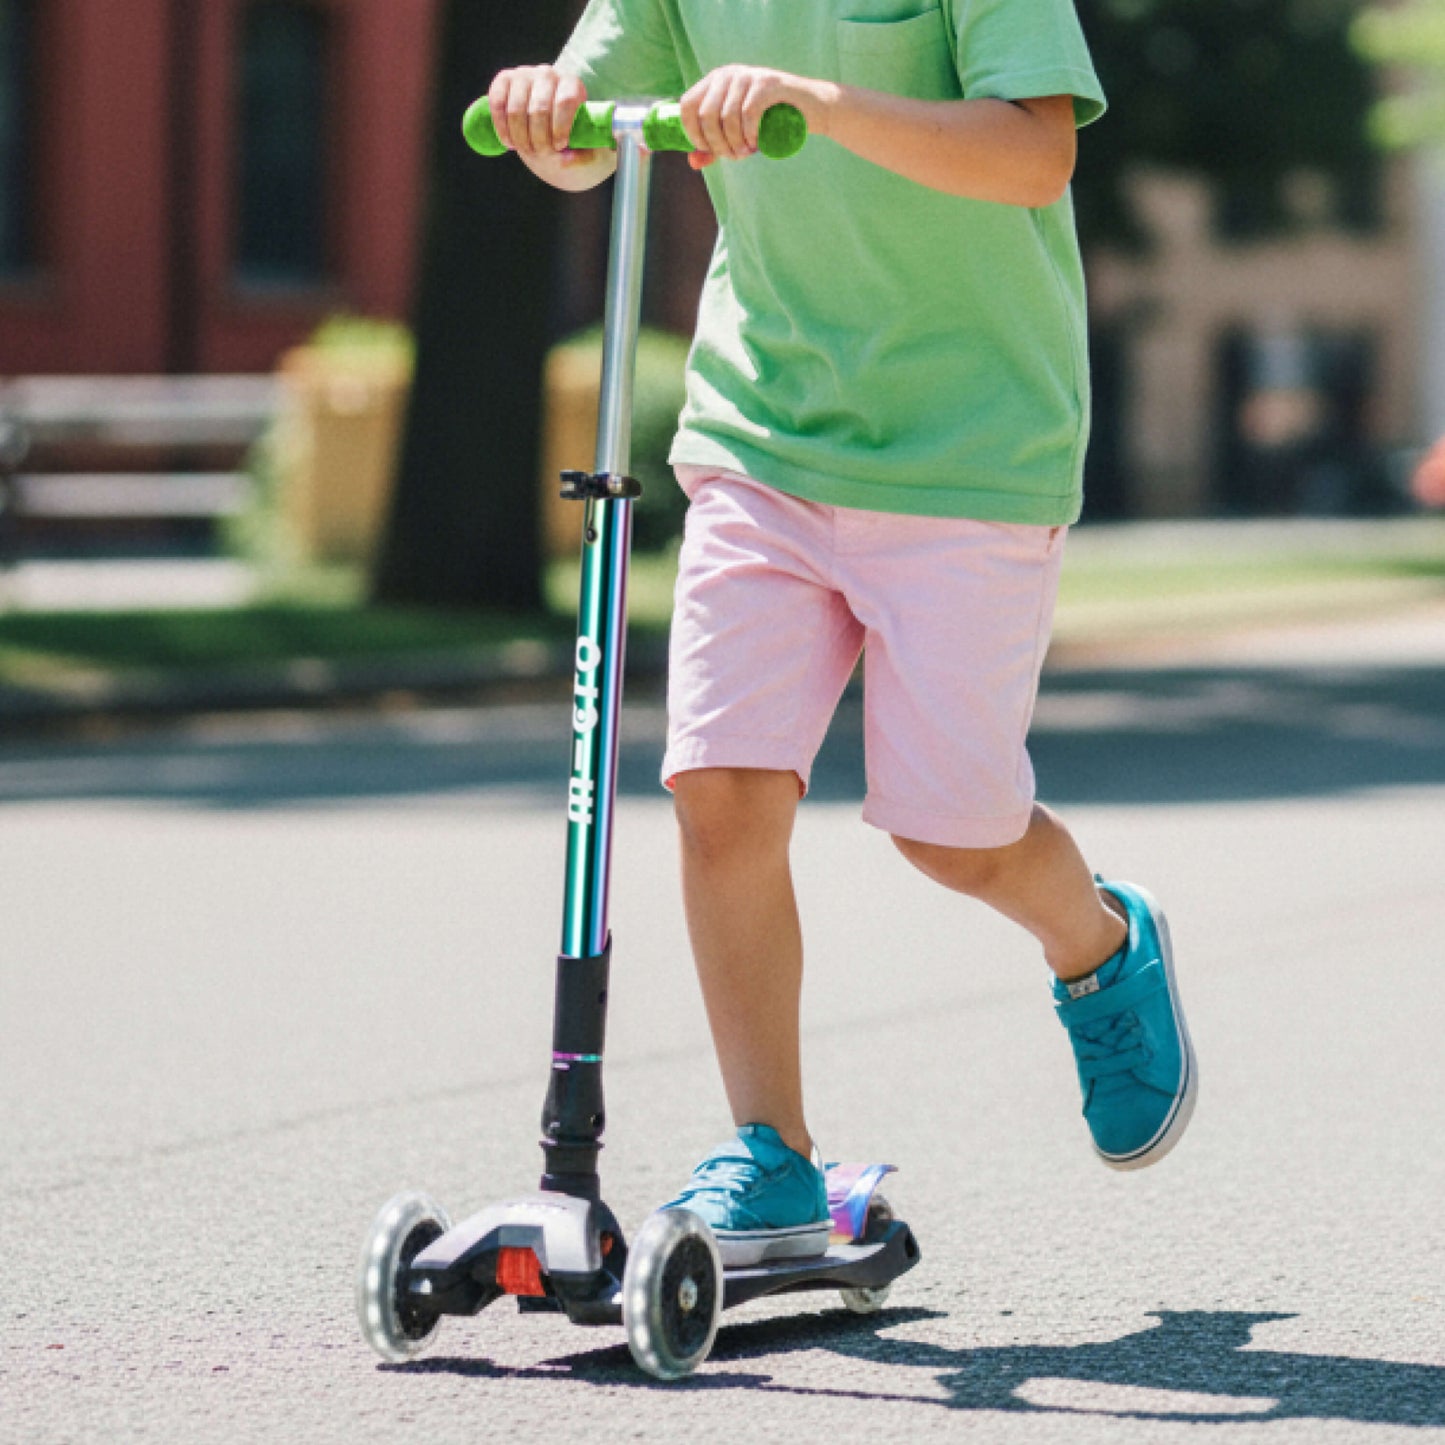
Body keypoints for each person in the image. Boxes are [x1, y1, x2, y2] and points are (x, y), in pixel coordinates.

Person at [488, 0, 1198, 1268]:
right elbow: (594, 133)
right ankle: (769, 1150)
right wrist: (547, 115)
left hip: (972, 446)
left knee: (952, 832)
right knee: (719, 789)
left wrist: (819, 104)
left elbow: (1034, 152)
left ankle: (1096, 942)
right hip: (761, 427)